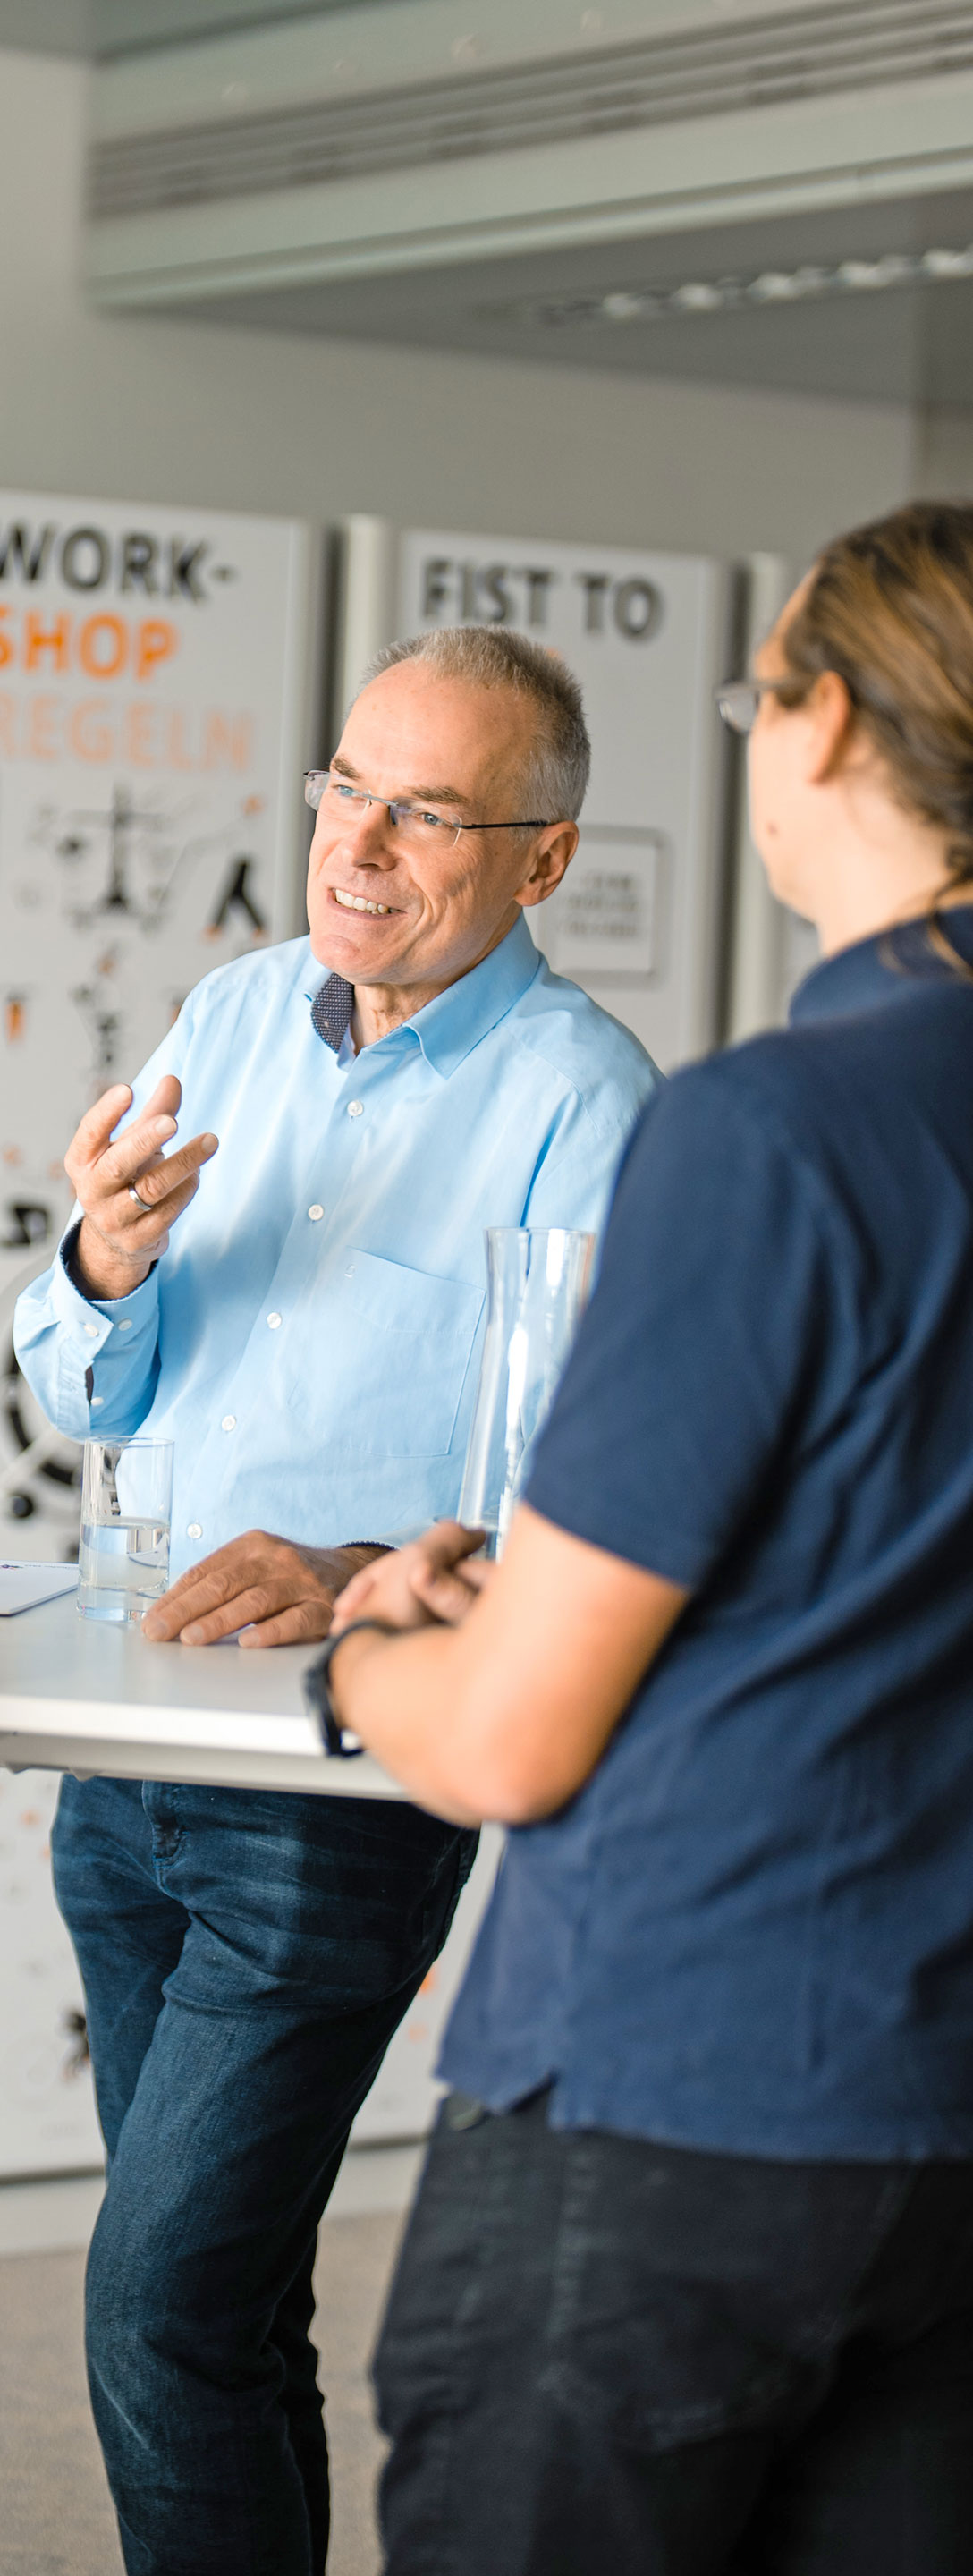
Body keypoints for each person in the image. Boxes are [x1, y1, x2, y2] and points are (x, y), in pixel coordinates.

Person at [318, 501, 973, 2576]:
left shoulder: (769, 1126)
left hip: (686, 2094)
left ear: (827, 723)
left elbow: (510, 1740)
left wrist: (369, 1653)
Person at [13, 627, 658, 2576]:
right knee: (216, 2305)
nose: (362, 846)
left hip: (331, 1793)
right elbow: (78, 1383)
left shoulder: (587, 1100)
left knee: (157, 2299)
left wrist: (356, 1565)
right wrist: (101, 1267)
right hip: (119, 1768)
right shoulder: (222, 1013)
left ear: (541, 860)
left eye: (429, 812)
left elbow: (581, 1490)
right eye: (346, 791)